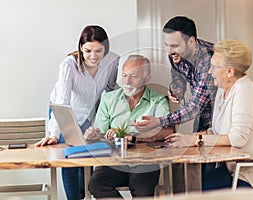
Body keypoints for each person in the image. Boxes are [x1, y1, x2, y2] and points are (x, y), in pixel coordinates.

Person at [165, 39, 253, 190]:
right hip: (236, 169)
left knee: (196, 189)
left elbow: (237, 138)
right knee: (190, 185)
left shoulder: (245, 91)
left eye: (214, 67)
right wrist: (187, 139)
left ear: (230, 71)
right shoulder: (223, 89)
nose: (210, 72)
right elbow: (216, 131)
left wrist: (193, 140)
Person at [131, 15, 217, 193]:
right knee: (196, 172)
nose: (169, 51)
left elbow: (194, 107)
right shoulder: (176, 55)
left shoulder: (208, 60)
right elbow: (178, 76)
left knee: (209, 175)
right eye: (167, 45)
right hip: (202, 115)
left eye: (174, 46)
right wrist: (177, 90)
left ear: (191, 41)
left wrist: (160, 121)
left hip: (219, 115)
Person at [35, 25, 120, 200]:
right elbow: (62, 101)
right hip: (65, 112)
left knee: (86, 161)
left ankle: (82, 194)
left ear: (106, 48)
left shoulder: (112, 61)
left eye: (99, 50)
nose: (93, 56)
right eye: (88, 50)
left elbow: (111, 90)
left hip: (91, 113)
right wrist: (54, 134)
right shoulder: (69, 65)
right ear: (81, 47)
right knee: (70, 162)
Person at [84, 54, 174, 198]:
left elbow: (168, 131)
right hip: (113, 162)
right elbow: (100, 133)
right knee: (96, 184)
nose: (127, 81)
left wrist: (135, 137)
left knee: (142, 189)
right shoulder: (108, 99)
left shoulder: (158, 100)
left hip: (145, 162)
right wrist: (96, 135)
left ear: (147, 79)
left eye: (133, 76)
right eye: (124, 75)